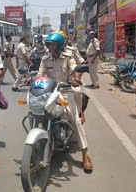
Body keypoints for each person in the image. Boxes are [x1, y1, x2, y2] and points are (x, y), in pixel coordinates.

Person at [36, 33, 93, 171]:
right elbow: (40, 74)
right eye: (49, 44)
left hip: (65, 92)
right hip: (49, 93)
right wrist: (32, 80)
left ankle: (86, 154)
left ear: (60, 45)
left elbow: (75, 70)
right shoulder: (45, 59)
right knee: (35, 112)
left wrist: (76, 78)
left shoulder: (68, 57)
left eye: (53, 44)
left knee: (76, 121)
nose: (50, 47)